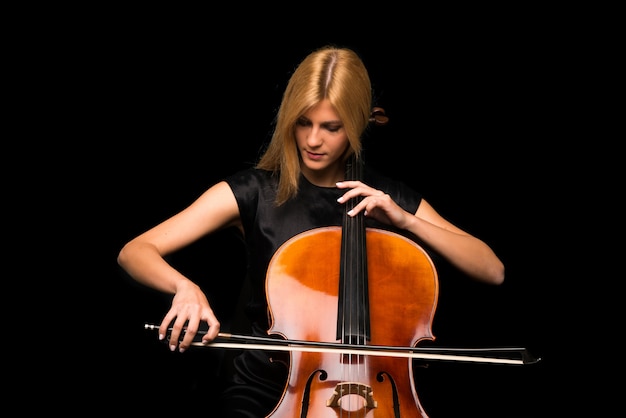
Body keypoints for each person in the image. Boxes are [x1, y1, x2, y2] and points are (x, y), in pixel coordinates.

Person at [117, 45, 505, 417]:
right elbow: (137, 250)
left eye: (332, 127)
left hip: (375, 388)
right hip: (269, 389)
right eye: (303, 122)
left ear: (358, 125)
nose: (313, 139)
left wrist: (406, 220)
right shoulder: (254, 191)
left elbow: (492, 270)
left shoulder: (385, 198)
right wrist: (186, 288)